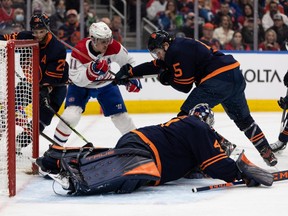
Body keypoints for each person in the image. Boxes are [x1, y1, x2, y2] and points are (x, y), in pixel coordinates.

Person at [113, 30, 278, 167]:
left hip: (217, 79)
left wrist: (165, 78)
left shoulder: (175, 52)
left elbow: (184, 86)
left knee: (186, 118)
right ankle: (267, 153)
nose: (157, 56)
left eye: (158, 52)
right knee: (244, 120)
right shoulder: (177, 47)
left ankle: (221, 145)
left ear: (165, 45)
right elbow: (156, 66)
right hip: (233, 74)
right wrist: (131, 72)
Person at [35, 105, 274, 195]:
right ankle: (66, 169)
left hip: (140, 145)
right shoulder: (198, 128)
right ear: (207, 122)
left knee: (109, 159)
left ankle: (56, 157)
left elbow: (201, 164)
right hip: (146, 154)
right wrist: (239, 173)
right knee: (118, 174)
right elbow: (215, 163)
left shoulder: (185, 126)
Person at [53, 21, 141, 146]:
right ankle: (55, 148)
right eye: (103, 41)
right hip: (81, 87)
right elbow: (77, 79)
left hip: (105, 84)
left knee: (122, 118)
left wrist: (132, 78)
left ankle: (137, 145)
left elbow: (129, 62)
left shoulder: (114, 47)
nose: (107, 44)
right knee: (70, 117)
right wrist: (92, 71)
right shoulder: (79, 50)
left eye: (108, 39)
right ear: (93, 39)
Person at [0, 13, 69, 153]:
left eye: (41, 31)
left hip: (55, 89)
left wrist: (44, 92)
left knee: (40, 122)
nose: (38, 35)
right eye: (35, 31)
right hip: (31, 83)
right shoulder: (25, 37)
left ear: (47, 29)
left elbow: (51, 81)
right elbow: (5, 39)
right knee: (7, 107)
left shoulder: (57, 49)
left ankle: (18, 144)